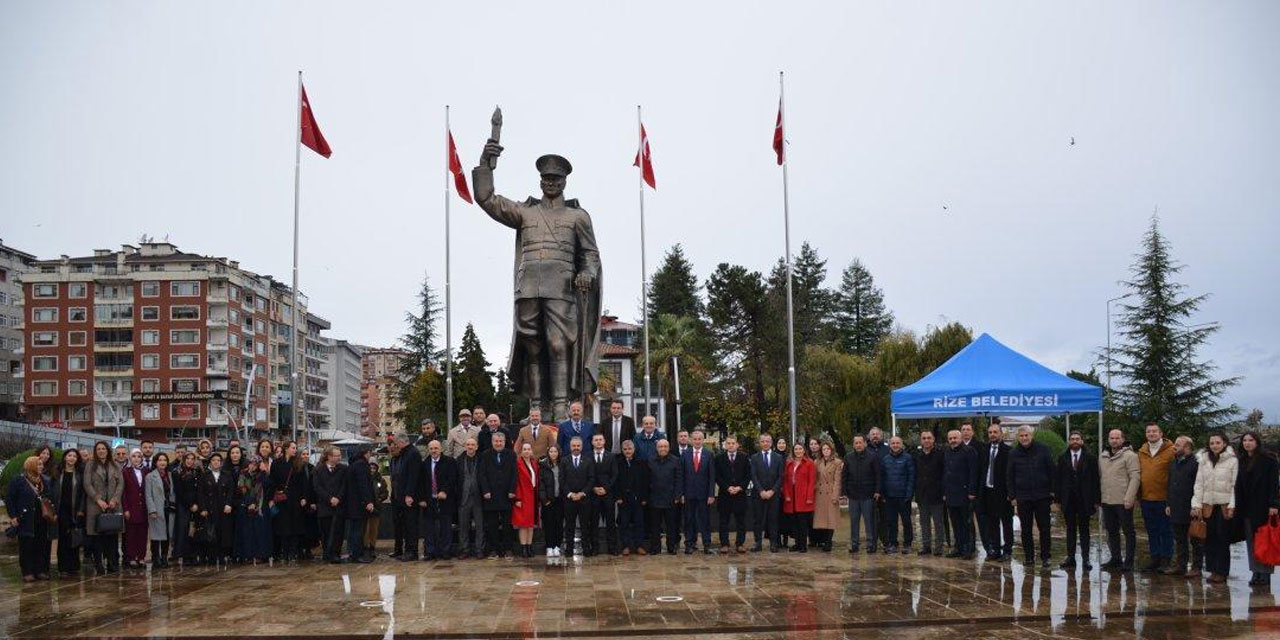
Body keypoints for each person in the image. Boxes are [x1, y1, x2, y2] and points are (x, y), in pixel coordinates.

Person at [1234, 431, 1279, 586]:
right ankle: (1255, 572)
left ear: (1257, 442)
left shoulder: (1269, 460)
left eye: (1250, 440)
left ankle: (1265, 574)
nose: (1247, 443)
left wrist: (1273, 505)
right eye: (1244, 440)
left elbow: (1274, 485)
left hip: (1263, 507)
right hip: (1246, 508)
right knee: (1251, 542)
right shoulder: (1242, 461)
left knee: (1265, 541)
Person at [1006, 426, 1054, 570]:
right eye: (1021, 436)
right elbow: (1009, 476)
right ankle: (1029, 557)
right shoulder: (1013, 453)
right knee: (1025, 529)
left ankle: (1045, 557)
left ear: (1031, 435)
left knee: (1044, 528)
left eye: (1026, 435)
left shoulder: (1043, 449)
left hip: (1042, 496)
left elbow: (1051, 470)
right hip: (1023, 497)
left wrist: (1052, 492)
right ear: (1018, 437)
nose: (1024, 438)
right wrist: (1012, 495)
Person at [1193, 432, 1237, 584]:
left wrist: (1232, 504)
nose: (1214, 446)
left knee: (1222, 539)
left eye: (1218, 443)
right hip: (1208, 505)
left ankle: (1222, 571)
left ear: (1224, 443)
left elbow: (1234, 485)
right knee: (1209, 538)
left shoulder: (1232, 461)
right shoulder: (1204, 460)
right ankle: (1212, 570)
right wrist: (1196, 504)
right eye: (1212, 443)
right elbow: (1199, 484)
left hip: (1224, 505)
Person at [1054, 431, 1100, 570]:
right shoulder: (1063, 458)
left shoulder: (1090, 458)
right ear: (1069, 441)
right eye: (1072, 439)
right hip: (1068, 500)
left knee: (1085, 530)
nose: (1075, 441)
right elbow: (1058, 480)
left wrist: (1096, 500)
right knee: (1070, 529)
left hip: (1085, 499)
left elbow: (1095, 480)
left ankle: (1086, 559)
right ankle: (1070, 557)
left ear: (1082, 441)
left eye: (1077, 439)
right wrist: (1057, 499)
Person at [1099, 429, 1141, 572]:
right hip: (1107, 500)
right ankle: (1115, 558)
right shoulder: (1103, 456)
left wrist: (1130, 498)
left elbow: (1135, 478)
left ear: (1123, 439)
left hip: (1123, 501)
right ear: (1108, 439)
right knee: (1111, 531)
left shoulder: (1130, 456)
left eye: (1117, 438)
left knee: (1128, 532)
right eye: (1112, 438)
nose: (1114, 440)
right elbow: (1101, 477)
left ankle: (1128, 562)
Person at [1136, 423, 1176, 572]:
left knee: (1166, 531)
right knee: (1151, 530)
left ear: (1161, 433)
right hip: (1146, 498)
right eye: (1148, 431)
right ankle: (1155, 558)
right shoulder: (1141, 451)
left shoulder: (1171, 451)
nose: (1151, 434)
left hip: (1164, 498)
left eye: (1154, 431)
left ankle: (1166, 560)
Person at [7, 456, 53, 581]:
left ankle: (41, 570)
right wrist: (13, 516)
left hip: (42, 518)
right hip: (26, 518)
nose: (41, 466)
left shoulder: (45, 480)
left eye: (41, 464)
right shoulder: (18, 481)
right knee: (27, 546)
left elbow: (50, 497)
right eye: (38, 464)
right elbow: (10, 499)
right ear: (31, 465)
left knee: (42, 545)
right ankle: (27, 571)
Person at [1163, 435, 1203, 578]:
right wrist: (1168, 503)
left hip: (1191, 507)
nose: (1174, 447)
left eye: (1178, 445)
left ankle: (1197, 567)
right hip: (1175, 507)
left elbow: (1199, 486)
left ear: (1187, 447)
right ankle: (1181, 565)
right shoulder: (1174, 463)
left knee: (1195, 539)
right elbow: (1170, 484)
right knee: (1179, 539)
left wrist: (1197, 506)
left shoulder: (1196, 464)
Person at [478, 431, 517, 558]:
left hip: (507, 495)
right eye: (496, 441)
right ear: (492, 442)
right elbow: (482, 474)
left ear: (505, 442)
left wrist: (512, 490)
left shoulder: (511, 455)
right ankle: (494, 549)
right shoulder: (485, 455)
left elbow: (514, 474)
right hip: (491, 495)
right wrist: (485, 490)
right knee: (492, 524)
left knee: (507, 525)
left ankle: (508, 549)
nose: (498, 443)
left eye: (501, 441)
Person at [976, 424, 1013, 561]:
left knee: (1006, 523)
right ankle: (996, 550)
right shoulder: (984, 450)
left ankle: (1007, 551)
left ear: (1001, 434)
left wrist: (1012, 493)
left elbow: (1011, 474)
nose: (992, 434)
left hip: (1004, 494)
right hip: (988, 492)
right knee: (992, 523)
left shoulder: (1009, 451)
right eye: (990, 432)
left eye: (995, 432)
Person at [942, 430, 979, 559]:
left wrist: (972, 491)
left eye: (955, 438)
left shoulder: (969, 451)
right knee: (956, 523)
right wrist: (945, 492)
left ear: (960, 438)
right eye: (950, 438)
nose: (953, 440)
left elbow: (974, 473)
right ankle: (958, 547)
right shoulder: (947, 452)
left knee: (967, 523)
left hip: (965, 494)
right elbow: (945, 473)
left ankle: (969, 548)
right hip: (951, 494)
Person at [269, 442, 307, 562]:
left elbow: (303, 483)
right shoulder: (276, 463)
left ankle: (293, 552)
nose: (295, 450)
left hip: (295, 498)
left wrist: (304, 497)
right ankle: (284, 552)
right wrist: (272, 498)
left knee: (295, 525)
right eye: (293, 448)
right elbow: (273, 481)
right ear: (286, 449)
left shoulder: (298, 463)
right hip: (282, 498)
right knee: (283, 526)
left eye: (296, 448)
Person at [842, 435, 880, 554]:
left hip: (868, 494)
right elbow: (845, 476)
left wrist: (877, 491)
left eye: (860, 442)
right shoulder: (848, 457)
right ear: (853, 444)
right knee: (854, 521)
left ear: (864, 443)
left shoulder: (872, 457)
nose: (858, 445)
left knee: (869, 521)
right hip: (853, 494)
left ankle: (870, 544)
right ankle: (854, 544)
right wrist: (844, 492)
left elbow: (878, 475)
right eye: (856, 443)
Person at [421, 440, 458, 560]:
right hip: (429, 500)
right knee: (429, 528)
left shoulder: (449, 462)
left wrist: (444, 491)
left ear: (441, 449)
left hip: (445, 499)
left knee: (446, 527)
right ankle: (430, 552)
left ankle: (446, 551)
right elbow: (420, 482)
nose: (433, 451)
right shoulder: (424, 464)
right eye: (431, 448)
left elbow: (452, 479)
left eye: (436, 448)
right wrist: (422, 499)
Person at [877, 436, 915, 554]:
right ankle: (893, 543)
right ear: (890, 445)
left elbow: (911, 477)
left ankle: (907, 544)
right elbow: (882, 478)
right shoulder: (885, 459)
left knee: (906, 521)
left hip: (903, 496)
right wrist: (883, 494)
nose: (895, 445)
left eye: (897, 443)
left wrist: (909, 494)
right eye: (893, 443)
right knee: (891, 522)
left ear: (901, 444)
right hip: (889, 496)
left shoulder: (908, 458)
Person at [681, 430, 716, 554]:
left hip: (704, 494)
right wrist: (682, 494)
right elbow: (681, 475)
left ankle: (707, 544)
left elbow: (712, 476)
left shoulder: (709, 454)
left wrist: (711, 494)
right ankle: (689, 544)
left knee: (705, 520)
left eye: (699, 439)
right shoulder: (685, 454)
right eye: (694, 439)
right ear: (691, 440)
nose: (697, 441)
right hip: (688, 493)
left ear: (702, 440)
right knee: (689, 520)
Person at [646, 439, 683, 555]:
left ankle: (671, 547)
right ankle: (655, 547)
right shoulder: (650, 460)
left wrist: (677, 495)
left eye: (665, 446)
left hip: (671, 498)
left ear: (669, 448)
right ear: (656, 448)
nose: (663, 449)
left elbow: (679, 479)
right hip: (654, 498)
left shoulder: (676, 460)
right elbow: (646, 480)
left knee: (671, 525)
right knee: (655, 525)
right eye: (660, 446)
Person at [388, 434, 422, 560]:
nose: (395, 446)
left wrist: (409, 494)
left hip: (409, 497)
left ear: (402, 442)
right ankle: (403, 550)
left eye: (396, 443)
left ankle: (411, 552)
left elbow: (413, 477)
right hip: (399, 496)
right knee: (402, 524)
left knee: (411, 525)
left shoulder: (412, 453)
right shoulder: (405, 453)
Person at [715, 435, 751, 554]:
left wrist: (740, 487)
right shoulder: (719, 458)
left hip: (740, 494)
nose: (730, 445)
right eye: (728, 443)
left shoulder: (744, 457)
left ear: (737, 444)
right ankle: (724, 544)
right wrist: (727, 487)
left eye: (733, 443)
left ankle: (740, 543)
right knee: (723, 521)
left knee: (741, 521)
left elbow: (748, 475)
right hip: (725, 495)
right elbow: (717, 476)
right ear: (725, 445)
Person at [198, 453, 235, 566]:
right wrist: (203, 508)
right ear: (210, 462)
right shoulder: (205, 475)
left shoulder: (227, 475)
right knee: (211, 533)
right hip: (210, 509)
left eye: (218, 460)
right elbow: (200, 493)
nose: (216, 462)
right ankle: (211, 557)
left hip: (224, 508)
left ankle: (223, 556)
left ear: (221, 462)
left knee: (223, 532)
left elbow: (231, 490)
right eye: (213, 460)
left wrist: (229, 504)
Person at [312, 446, 348, 563]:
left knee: (338, 531)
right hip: (325, 506)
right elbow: (317, 487)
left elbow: (344, 485)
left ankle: (336, 554)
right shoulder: (318, 470)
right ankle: (327, 554)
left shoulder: (343, 469)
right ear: (329, 456)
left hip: (339, 506)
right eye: (336, 455)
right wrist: (329, 498)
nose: (339, 458)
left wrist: (338, 498)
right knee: (326, 531)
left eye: (339, 455)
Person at [52, 449, 85, 576]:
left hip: (75, 511)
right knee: (63, 539)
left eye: (74, 456)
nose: (72, 458)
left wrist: (81, 509)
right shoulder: (57, 473)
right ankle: (63, 567)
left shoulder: (79, 474)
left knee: (74, 538)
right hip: (60, 510)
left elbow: (82, 494)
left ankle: (74, 566)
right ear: (65, 457)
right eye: (69, 456)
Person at [235, 457, 272, 564]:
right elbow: (242, 489)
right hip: (246, 506)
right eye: (251, 463)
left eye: (256, 464)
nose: (253, 466)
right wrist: (249, 502)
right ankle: (247, 555)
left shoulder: (262, 475)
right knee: (247, 532)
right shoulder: (243, 474)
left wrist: (264, 471)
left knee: (259, 532)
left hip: (259, 506)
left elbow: (268, 485)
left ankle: (260, 555)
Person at [914, 431, 945, 556]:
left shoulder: (940, 454)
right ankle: (926, 546)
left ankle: (938, 548)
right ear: (921, 440)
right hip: (922, 494)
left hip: (936, 494)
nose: (926, 440)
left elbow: (944, 474)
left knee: (938, 523)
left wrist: (943, 491)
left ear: (933, 440)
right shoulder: (917, 455)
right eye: (924, 438)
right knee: (924, 522)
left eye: (929, 438)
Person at [342, 448, 376, 563]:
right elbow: (363, 485)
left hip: (351, 504)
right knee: (359, 530)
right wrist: (368, 501)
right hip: (359, 504)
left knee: (353, 529)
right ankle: (357, 554)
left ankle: (352, 552)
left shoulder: (352, 464)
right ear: (366, 453)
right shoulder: (362, 465)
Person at [751, 433, 783, 552]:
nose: (765, 443)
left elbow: (781, 477)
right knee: (758, 520)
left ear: (771, 443)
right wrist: (761, 490)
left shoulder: (778, 458)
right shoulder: (754, 458)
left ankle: (773, 543)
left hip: (773, 495)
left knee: (773, 519)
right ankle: (757, 543)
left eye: (767, 441)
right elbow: (753, 476)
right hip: (758, 494)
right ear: (760, 443)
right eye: (763, 441)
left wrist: (772, 491)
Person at [561, 436, 593, 557]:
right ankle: (569, 549)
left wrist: (582, 493)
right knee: (569, 525)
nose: (576, 448)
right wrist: (570, 494)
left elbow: (591, 479)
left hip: (584, 499)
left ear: (582, 446)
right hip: (569, 500)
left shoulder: (588, 460)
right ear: (570, 447)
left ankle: (586, 549)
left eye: (578, 446)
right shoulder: (564, 461)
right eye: (573, 446)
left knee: (585, 525)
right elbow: (562, 480)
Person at [615, 440, 649, 555]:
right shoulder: (618, 463)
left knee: (639, 522)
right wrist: (618, 496)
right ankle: (625, 546)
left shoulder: (641, 462)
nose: (627, 451)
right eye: (625, 449)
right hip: (623, 498)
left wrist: (644, 498)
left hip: (638, 498)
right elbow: (616, 481)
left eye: (630, 449)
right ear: (622, 450)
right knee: (624, 523)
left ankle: (639, 545)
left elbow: (645, 481)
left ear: (634, 450)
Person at [588, 433, 619, 556]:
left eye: (600, 440)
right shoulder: (587, 456)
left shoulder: (611, 456)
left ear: (604, 441)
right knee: (594, 523)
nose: (598, 442)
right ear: (592, 442)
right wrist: (594, 488)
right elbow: (586, 476)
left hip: (608, 494)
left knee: (610, 523)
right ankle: (594, 548)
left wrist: (606, 488)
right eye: (596, 440)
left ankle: (612, 547)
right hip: (593, 495)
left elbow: (615, 475)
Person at [782, 443, 816, 552]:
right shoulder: (789, 463)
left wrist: (809, 497)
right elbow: (785, 481)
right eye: (796, 449)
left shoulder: (809, 463)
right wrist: (786, 494)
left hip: (803, 497)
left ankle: (803, 545)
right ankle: (797, 543)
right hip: (791, 498)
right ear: (793, 451)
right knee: (794, 523)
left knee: (802, 523)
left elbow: (812, 482)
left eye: (800, 449)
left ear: (804, 450)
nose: (798, 451)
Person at [144, 452, 175, 569]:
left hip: (169, 509)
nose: (162, 462)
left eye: (164, 460)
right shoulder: (150, 476)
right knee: (156, 535)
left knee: (167, 534)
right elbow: (148, 495)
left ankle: (164, 557)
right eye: (160, 460)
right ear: (155, 462)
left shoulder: (170, 475)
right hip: (156, 509)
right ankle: (155, 558)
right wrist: (152, 510)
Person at [456, 437, 485, 558]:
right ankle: (464, 550)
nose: (470, 447)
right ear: (465, 446)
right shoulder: (459, 460)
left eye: (473, 445)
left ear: (476, 447)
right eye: (468, 444)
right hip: (464, 497)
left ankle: (480, 550)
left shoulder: (482, 459)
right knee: (463, 526)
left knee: (480, 526)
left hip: (479, 497)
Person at [120, 448, 148, 568]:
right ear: (130, 458)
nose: (136, 459)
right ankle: (131, 557)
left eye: (139, 456)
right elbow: (123, 492)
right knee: (131, 534)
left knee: (143, 533)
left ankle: (141, 557)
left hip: (144, 508)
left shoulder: (147, 471)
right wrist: (125, 508)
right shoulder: (125, 472)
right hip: (131, 507)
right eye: (134, 456)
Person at [512, 442, 540, 558]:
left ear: (531, 451)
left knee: (531, 524)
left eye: (529, 449)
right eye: (525, 449)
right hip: (523, 497)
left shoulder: (534, 463)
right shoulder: (517, 464)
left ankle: (529, 546)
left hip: (533, 496)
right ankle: (523, 548)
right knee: (523, 524)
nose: (527, 451)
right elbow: (516, 482)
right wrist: (517, 498)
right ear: (521, 451)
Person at [539, 444, 565, 557]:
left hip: (560, 500)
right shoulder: (543, 466)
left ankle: (557, 546)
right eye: (551, 452)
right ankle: (549, 546)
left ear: (558, 453)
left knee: (559, 524)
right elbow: (541, 485)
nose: (553, 454)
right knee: (548, 524)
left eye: (555, 451)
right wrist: (544, 500)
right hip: (548, 501)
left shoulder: (563, 464)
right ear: (548, 453)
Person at [367, 460, 388, 558]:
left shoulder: (380, 480)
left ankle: (372, 546)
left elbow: (385, 492)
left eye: (374, 468)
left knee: (374, 528)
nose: (372, 470)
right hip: (366, 507)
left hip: (377, 507)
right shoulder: (364, 478)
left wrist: (380, 498)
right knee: (365, 528)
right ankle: (365, 546)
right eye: (370, 468)